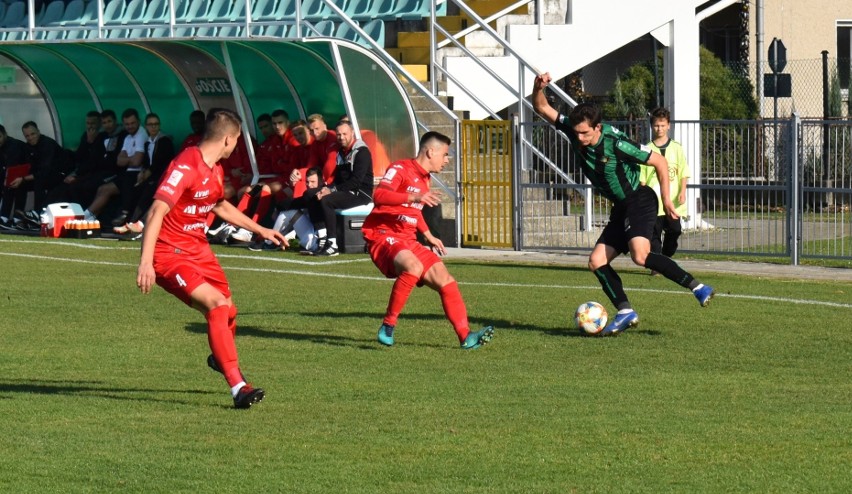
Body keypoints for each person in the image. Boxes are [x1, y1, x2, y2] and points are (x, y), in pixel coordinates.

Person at [531, 72, 715, 336]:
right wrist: (538, 88)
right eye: (577, 133)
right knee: (596, 261)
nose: (579, 138)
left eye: (584, 133)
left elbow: (659, 162)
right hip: (621, 206)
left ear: (597, 127)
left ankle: (698, 287)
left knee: (640, 256)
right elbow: (541, 107)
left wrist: (666, 198)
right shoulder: (574, 130)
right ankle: (626, 311)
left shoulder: (616, 143)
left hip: (639, 200)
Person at [136, 108, 288, 409]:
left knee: (230, 311)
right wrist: (145, 261)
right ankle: (239, 387)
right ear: (229, 139)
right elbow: (156, 211)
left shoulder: (215, 169)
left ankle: (220, 357)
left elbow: (219, 206)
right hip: (171, 254)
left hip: (199, 250)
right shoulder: (186, 165)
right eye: (238, 141)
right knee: (217, 306)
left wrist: (261, 229)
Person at [363, 131, 494, 349]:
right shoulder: (399, 169)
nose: (446, 160)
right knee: (412, 267)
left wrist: (428, 235)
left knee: (446, 280)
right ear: (430, 151)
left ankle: (466, 336)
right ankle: (388, 326)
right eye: (444, 154)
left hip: (407, 238)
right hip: (383, 234)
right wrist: (414, 197)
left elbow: (413, 212)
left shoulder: (425, 179)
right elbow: (379, 196)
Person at [305, 119, 374, 256]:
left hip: (360, 193)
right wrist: (326, 188)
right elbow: (338, 179)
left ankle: (332, 244)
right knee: (311, 194)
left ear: (352, 133)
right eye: (338, 135)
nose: (341, 137)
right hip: (346, 191)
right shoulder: (341, 152)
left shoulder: (362, 152)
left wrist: (331, 190)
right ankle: (322, 238)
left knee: (327, 200)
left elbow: (356, 181)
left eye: (344, 134)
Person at [640, 107, 690, 265]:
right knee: (654, 235)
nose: (659, 128)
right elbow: (642, 177)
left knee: (675, 230)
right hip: (654, 202)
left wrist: (682, 191)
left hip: (672, 201)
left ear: (668, 125)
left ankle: (666, 255)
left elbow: (683, 171)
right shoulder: (647, 149)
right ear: (651, 126)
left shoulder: (676, 148)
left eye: (662, 125)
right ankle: (657, 265)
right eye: (656, 125)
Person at [114, 113, 175, 235]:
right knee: (135, 188)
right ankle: (130, 221)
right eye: (151, 125)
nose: (153, 127)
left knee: (148, 190)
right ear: (146, 126)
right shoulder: (148, 142)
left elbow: (161, 162)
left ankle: (138, 224)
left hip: (163, 177)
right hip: (152, 176)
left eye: (156, 124)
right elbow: (147, 162)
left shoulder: (164, 140)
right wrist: (143, 172)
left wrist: (148, 172)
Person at [9, 121, 72, 225]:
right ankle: (18, 217)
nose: (30, 138)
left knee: (39, 180)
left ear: (38, 131)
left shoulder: (47, 144)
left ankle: (38, 214)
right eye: (27, 136)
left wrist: (24, 178)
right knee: (20, 185)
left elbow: (45, 171)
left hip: (60, 174)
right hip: (43, 175)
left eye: (32, 134)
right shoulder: (28, 147)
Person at [251, 166, 321, 252]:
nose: (310, 185)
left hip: (320, 240)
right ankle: (271, 241)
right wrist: (278, 208)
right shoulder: (309, 194)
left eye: (313, 182)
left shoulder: (324, 193)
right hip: (311, 236)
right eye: (307, 182)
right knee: (291, 212)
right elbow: (293, 203)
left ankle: (269, 240)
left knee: (293, 210)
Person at [110, 108, 148, 227]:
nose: (130, 126)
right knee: (103, 188)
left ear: (139, 121)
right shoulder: (127, 137)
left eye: (132, 123)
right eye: (127, 124)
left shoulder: (141, 134)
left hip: (139, 172)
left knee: (126, 180)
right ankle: (90, 215)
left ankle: (126, 214)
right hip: (129, 172)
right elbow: (118, 161)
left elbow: (137, 162)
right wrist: (129, 160)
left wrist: (127, 160)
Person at [0, 124, 29, 228]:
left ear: (5, 135)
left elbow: (13, 167)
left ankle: (13, 218)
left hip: (26, 175)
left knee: (13, 184)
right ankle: (5, 217)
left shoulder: (14, 146)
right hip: (11, 175)